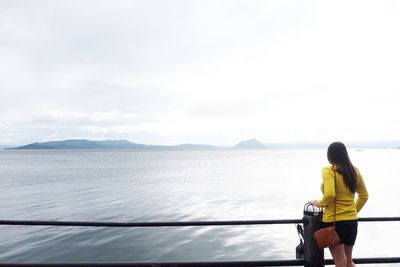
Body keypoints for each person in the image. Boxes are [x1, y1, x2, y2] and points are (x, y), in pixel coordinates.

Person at [308, 142, 369, 267]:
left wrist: (319, 203)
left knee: (341, 263)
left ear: (330, 156)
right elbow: (364, 195)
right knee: (349, 261)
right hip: (351, 222)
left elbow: (330, 194)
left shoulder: (329, 171)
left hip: (334, 224)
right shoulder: (355, 171)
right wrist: (353, 211)